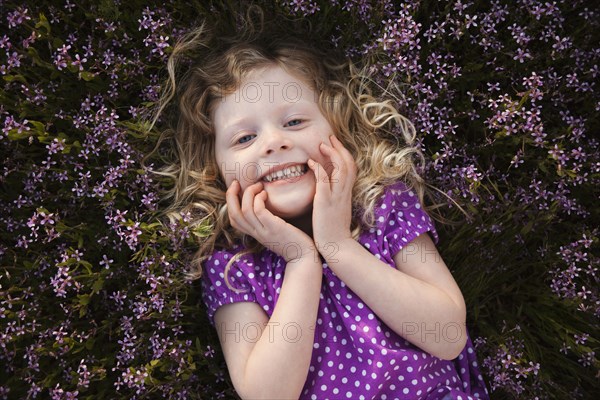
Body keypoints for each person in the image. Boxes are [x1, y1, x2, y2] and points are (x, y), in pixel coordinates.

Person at [153, 8, 489, 400]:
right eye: (244, 139)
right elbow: (266, 395)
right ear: (215, 169)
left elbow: (448, 336)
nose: (274, 142)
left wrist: (338, 246)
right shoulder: (232, 267)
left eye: (294, 122)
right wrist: (301, 260)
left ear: (338, 127)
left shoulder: (383, 209)